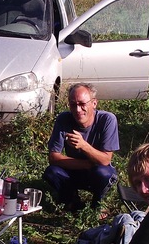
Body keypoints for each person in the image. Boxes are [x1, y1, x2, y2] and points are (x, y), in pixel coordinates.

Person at [43, 83, 119, 212]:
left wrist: (84, 146)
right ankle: (72, 200)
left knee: (103, 173)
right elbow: (53, 157)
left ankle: (98, 204)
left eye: (82, 104)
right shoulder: (64, 119)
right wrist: (87, 164)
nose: (78, 110)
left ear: (94, 103)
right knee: (52, 172)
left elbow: (106, 160)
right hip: (75, 170)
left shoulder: (107, 120)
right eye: (73, 104)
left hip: (97, 172)